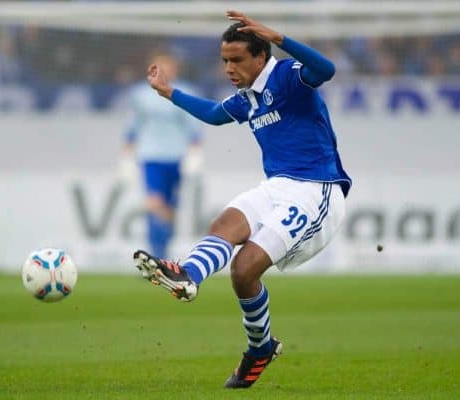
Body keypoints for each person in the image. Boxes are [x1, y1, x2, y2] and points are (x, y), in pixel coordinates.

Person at [134, 10, 352, 389]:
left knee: (245, 268)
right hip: (277, 186)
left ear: (260, 56)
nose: (229, 68)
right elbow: (216, 115)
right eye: (224, 61)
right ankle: (189, 276)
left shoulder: (287, 76)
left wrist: (280, 37)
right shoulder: (245, 98)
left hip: (316, 190)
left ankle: (258, 349)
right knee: (223, 228)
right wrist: (170, 93)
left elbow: (327, 69)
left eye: (236, 60)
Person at [123, 53, 202, 259]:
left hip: (177, 157)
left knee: (170, 208)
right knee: (155, 203)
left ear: (176, 69)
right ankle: (155, 253)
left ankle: (163, 253)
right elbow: (133, 125)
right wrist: (126, 157)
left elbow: (193, 125)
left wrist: (195, 154)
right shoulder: (140, 94)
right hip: (150, 156)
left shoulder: (185, 92)